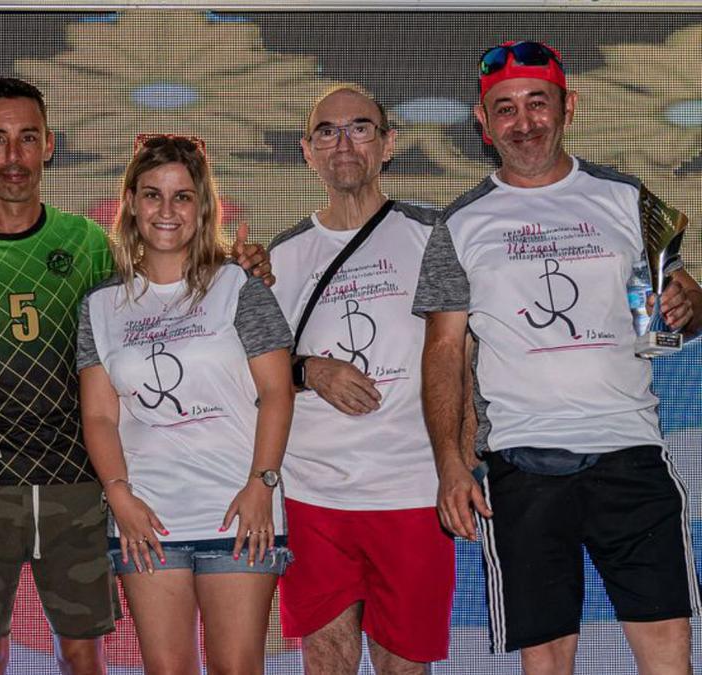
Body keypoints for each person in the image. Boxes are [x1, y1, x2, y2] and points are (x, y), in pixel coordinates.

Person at [0, 77, 271, 675]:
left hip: (77, 484)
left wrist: (236, 260)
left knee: (83, 653)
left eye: (27, 138)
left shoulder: (87, 243)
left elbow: (170, 277)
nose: (13, 156)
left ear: (50, 145)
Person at [413, 40, 702, 675]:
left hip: (630, 451)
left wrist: (690, 304)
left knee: (668, 654)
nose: (524, 123)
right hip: (520, 463)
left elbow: (677, 309)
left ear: (567, 106)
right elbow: (442, 351)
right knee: (545, 663)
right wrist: (450, 466)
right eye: (506, 109)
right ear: (482, 125)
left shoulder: (630, 197)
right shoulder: (458, 224)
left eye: (537, 103)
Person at [77, 134, 294, 675]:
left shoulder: (239, 286)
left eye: (182, 196)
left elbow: (276, 392)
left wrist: (262, 483)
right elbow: (100, 416)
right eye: (152, 195)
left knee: (236, 667)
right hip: (147, 519)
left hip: (239, 513)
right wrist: (119, 497)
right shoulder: (102, 305)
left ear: (203, 206)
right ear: (130, 203)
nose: (166, 211)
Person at [269, 87, 453, 674]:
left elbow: (468, 354)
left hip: (412, 491)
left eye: (360, 128)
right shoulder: (278, 258)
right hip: (311, 493)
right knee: (325, 654)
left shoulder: (436, 235)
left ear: (388, 144)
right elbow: (253, 370)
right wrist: (310, 371)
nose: (343, 142)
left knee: (405, 662)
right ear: (307, 151)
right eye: (327, 131)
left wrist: (463, 461)